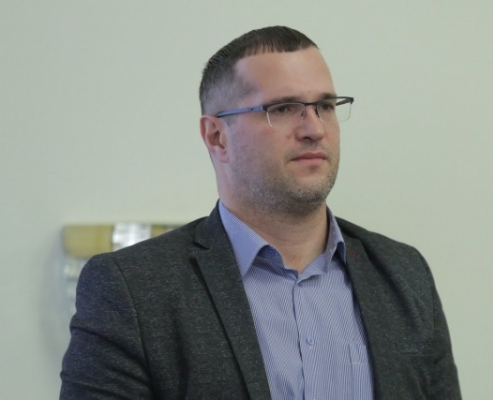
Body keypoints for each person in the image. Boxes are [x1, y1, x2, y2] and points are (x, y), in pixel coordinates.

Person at [60, 26, 461, 399]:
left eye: (325, 105)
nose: (314, 128)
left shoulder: (404, 273)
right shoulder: (132, 289)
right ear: (217, 136)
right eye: (283, 108)